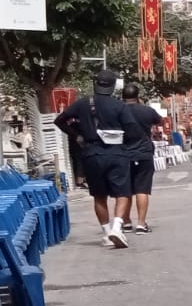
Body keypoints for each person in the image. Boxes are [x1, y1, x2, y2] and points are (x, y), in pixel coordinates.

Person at [54, 70, 137, 247]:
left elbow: (59, 120)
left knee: (99, 196)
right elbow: (132, 130)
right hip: (116, 152)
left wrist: (76, 135)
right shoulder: (119, 106)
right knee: (123, 193)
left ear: (96, 84)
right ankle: (117, 227)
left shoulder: (82, 103)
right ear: (113, 86)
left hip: (91, 154)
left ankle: (107, 234)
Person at [119, 82, 165, 234]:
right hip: (144, 153)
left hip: (123, 154)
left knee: (125, 190)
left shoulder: (118, 110)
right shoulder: (147, 110)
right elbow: (160, 120)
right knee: (142, 190)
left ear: (122, 97)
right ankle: (141, 224)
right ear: (137, 96)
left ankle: (126, 222)